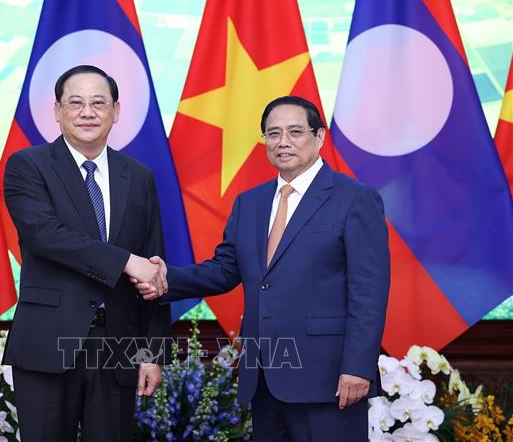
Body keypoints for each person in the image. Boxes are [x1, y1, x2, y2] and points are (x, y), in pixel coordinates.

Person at [136, 96, 390, 441]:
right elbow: (224, 270)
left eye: (295, 132)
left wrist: (358, 367)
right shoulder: (250, 203)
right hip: (265, 377)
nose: (283, 142)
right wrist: (162, 278)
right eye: (273, 133)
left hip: (329, 380)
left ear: (319, 136)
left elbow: (369, 293)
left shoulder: (355, 199)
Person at [3, 64, 170, 442]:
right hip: (48, 343)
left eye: (99, 102)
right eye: (75, 103)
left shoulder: (138, 176)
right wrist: (126, 261)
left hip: (117, 348)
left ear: (116, 111)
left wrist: (152, 351)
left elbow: (153, 266)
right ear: (57, 110)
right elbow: (46, 236)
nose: (87, 112)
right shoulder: (28, 166)